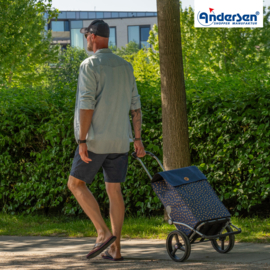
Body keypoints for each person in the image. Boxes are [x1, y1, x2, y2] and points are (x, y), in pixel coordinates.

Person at [67, 19, 146, 261]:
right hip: (121, 141)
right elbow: (136, 107)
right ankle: (116, 249)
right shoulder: (125, 65)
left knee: (76, 185)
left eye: (86, 37)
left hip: (95, 142)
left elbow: (86, 105)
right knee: (115, 191)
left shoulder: (89, 65)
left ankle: (102, 233)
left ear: (92, 36)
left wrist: (82, 140)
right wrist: (138, 139)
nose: (85, 40)